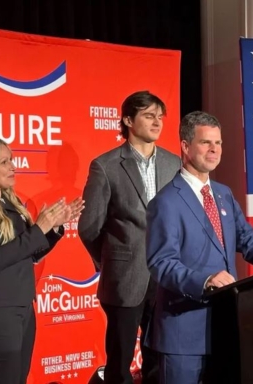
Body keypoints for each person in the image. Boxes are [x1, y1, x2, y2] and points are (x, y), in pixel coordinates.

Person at [145, 111, 253, 384]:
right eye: (206, 143)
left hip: (224, 330)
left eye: (219, 143)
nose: (214, 149)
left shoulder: (223, 193)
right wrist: (205, 280)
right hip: (183, 335)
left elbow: (250, 241)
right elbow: (161, 263)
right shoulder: (165, 202)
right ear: (185, 147)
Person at [0, 136, 84, 384]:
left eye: (12, 159)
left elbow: (29, 254)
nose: (14, 166)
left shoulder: (10, 203)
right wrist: (38, 228)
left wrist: (52, 229)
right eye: (5, 161)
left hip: (22, 305)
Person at [78, 90, 181, 384]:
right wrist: (111, 260)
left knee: (158, 357)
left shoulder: (173, 163)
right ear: (128, 120)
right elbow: (89, 226)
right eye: (149, 116)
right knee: (120, 363)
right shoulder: (106, 166)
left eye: (160, 116)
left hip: (165, 277)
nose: (157, 122)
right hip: (124, 278)